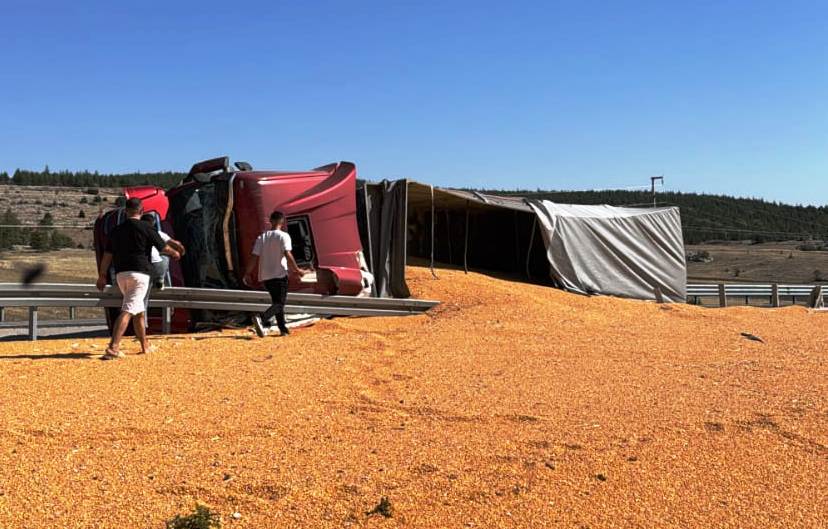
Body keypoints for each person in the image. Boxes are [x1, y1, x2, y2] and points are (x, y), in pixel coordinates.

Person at [96, 198, 181, 359]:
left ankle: (145, 346)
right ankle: (113, 347)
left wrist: (102, 276)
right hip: (140, 274)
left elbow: (107, 256)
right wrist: (175, 253)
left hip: (121, 275)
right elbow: (163, 248)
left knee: (139, 311)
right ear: (141, 211)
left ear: (126, 211)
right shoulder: (146, 227)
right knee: (128, 309)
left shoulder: (116, 230)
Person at [243, 210, 309, 337]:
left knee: (277, 302)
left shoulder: (262, 238)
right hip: (279, 275)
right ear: (282, 222)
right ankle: (262, 318)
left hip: (266, 277)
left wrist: (247, 273)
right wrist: (297, 270)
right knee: (280, 303)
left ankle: (282, 328)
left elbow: (254, 257)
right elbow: (287, 254)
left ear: (270, 221)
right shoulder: (284, 236)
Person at [140, 213, 185, 290]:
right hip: (156, 266)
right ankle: (160, 279)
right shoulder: (157, 233)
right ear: (153, 223)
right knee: (165, 255)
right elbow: (174, 244)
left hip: (139, 265)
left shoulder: (134, 233)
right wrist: (180, 249)